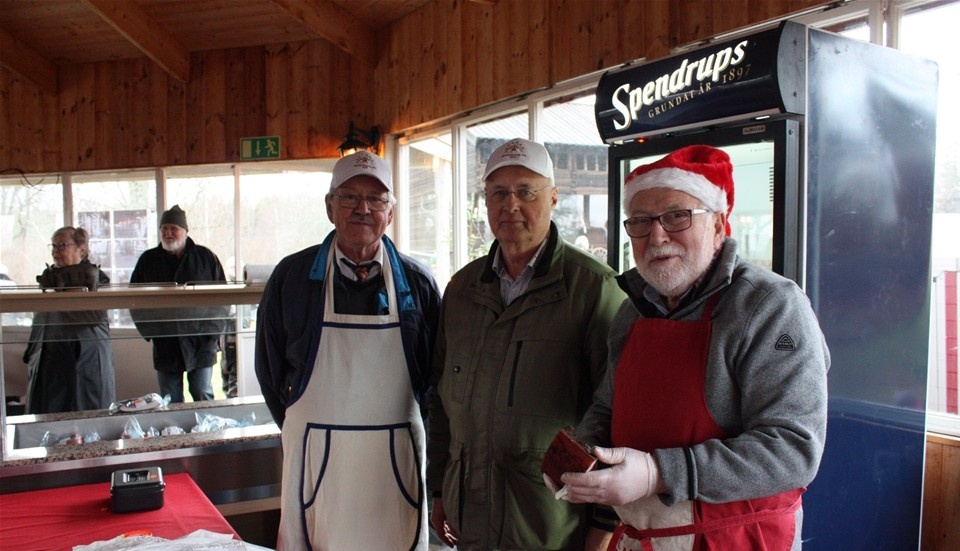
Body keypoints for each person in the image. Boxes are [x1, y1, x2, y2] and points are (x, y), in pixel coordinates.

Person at [551, 145, 830, 551]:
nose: (657, 235)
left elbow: (792, 450)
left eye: (677, 216)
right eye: (642, 222)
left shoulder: (772, 306)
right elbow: (608, 407)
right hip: (642, 539)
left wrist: (656, 473)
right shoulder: (632, 312)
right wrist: (580, 456)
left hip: (736, 540)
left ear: (718, 225)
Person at [427, 138, 626, 550]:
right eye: (498, 192)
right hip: (471, 521)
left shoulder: (594, 288)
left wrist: (603, 527)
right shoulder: (462, 290)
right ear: (485, 203)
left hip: (552, 527)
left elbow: (618, 413)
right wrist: (439, 489)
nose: (510, 204)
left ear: (553, 198)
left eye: (525, 192)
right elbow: (441, 403)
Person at [255, 150, 442, 550]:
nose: (363, 208)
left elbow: (435, 381)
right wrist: (308, 428)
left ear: (390, 213)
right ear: (329, 206)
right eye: (349, 197)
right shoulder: (290, 279)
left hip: (394, 470)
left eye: (376, 200)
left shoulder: (420, 284)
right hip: (315, 466)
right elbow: (270, 375)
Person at [130, 205, 227, 403]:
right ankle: (174, 434)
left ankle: (207, 433)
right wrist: (152, 332)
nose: (168, 233)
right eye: (164, 229)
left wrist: (212, 333)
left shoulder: (206, 258)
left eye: (173, 228)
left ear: (185, 231)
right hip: (166, 342)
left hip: (201, 342)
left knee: (203, 393)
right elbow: (135, 299)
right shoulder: (148, 260)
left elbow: (223, 298)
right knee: (169, 398)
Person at [23, 226, 115, 413]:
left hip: (83, 362)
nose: (56, 251)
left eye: (62, 245)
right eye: (54, 246)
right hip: (49, 360)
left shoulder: (97, 280)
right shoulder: (49, 279)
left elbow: (91, 317)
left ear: (81, 249)